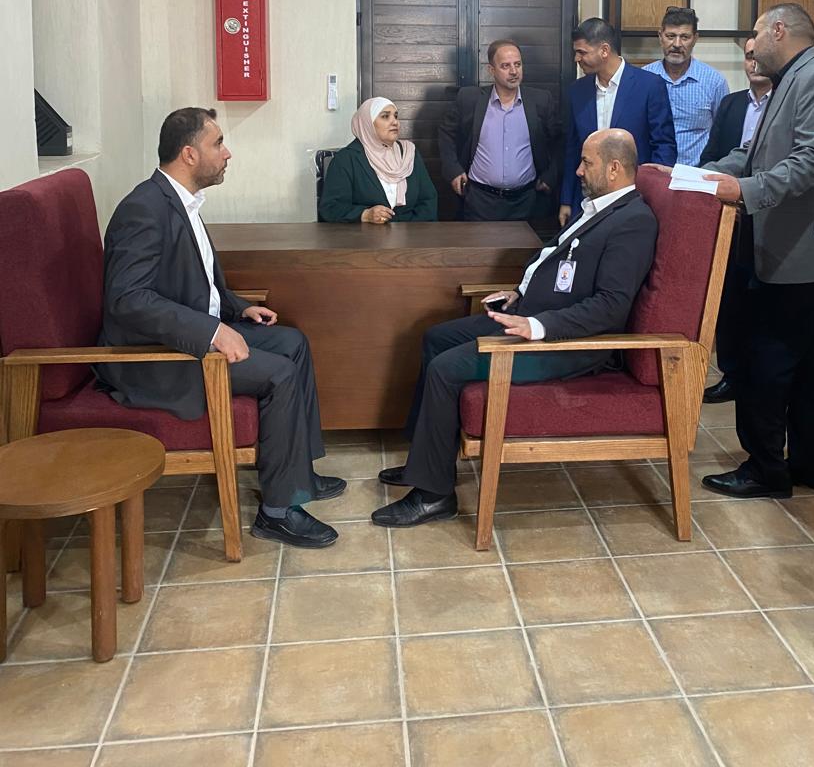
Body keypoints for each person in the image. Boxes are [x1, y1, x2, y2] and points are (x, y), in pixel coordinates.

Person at [369, 129, 657, 527]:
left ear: (614, 168)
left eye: (586, 163)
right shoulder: (598, 208)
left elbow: (610, 307)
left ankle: (434, 496)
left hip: (566, 344)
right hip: (529, 315)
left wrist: (536, 325)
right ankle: (427, 460)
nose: (577, 171)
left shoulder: (633, 221)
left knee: (446, 369)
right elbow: (560, 268)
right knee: (436, 338)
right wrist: (520, 293)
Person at [97, 107, 345, 550]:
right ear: (189, 154)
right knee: (279, 373)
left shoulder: (182, 201)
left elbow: (198, 284)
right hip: (158, 357)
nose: (227, 153)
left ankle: (297, 474)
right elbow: (128, 298)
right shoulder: (143, 209)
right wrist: (211, 332)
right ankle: (277, 512)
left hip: (192, 335)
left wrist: (238, 308)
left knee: (293, 342)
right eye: (218, 143)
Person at [695, 4, 814, 499]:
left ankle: (767, 469)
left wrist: (742, 191)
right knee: (807, 366)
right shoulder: (791, 80)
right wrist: (701, 175)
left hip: (798, 253)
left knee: (767, 364)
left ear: (780, 31)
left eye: (758, 32)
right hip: (785, 251)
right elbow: (755, 153)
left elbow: (810, 164)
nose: (752, 43)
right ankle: (811, 466)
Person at [698, 38, 773, 404]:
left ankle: (759, 375)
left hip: (768, 214)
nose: (753, 63)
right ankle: (731, 374)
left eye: (759, 56)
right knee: (728, 296)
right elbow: (714, 153)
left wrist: (747, 193)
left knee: (762, 303)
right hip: (729, 217)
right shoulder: (731, 103)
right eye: (748, 56)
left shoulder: (783, 103)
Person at [559, 18, 676, 227]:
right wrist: (566, 199)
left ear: (604, 50)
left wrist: (656, 193)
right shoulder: (577, 91)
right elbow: (572, 148)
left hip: (635, 198)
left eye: (582, 52)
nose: (577, 58)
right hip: (586, 198)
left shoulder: (649, 86)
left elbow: (664, 145)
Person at [438, 40, 561, 222]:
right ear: (491, 70)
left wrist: (551, 176)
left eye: (517, 64)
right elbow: (446, 133)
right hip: (480, 201)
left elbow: (560, 141)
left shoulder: (540, 100)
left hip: (528, 200)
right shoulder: (469, 99)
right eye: (505, 66)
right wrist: (453, 170)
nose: (514, 71)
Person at [319, 98, 437, 224]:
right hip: (364, 235)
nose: (395, 122)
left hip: (411, 232)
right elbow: (331, 208)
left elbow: (428, 201)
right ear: (367, 123)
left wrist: (409, 229)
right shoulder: (346, 159)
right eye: (385, 116)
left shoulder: (409, 153)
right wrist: (365, 215)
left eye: (396, 116)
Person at [644, 7, 729, 164]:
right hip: (653, 170)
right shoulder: (644, 78)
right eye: (670, 36)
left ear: (695, 39)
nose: (677, 44)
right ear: (660, 37)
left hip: (697, 171)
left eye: (684, 37)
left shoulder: (714, 82)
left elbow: (723, 133)